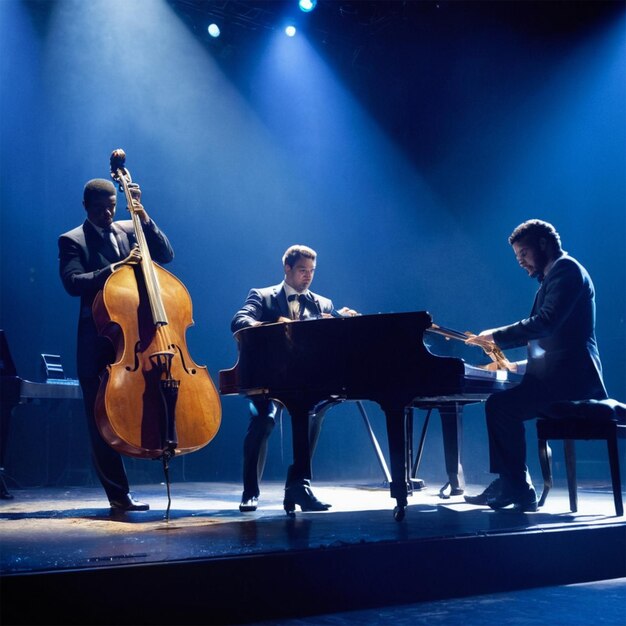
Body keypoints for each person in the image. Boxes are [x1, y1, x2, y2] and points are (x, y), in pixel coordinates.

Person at [464, 219, 607, 511]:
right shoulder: (554, 276)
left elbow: (546, 323)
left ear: (544, 244)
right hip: (558, 376)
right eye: (518, 257)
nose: (521, 262)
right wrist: (517, 365)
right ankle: (512, 482)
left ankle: (515, 485)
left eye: (524, 254)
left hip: (573, 380)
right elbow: (551, 339)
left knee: (500, 406)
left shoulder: (566, 270)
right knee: (501, 405)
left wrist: (495, 336)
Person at [58, 178, 174, 512]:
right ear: (86, 207)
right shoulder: (72, 240)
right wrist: (115, 269)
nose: (108, 213)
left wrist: (142, 214)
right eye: (100, 208)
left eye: (112, 206)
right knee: (101, 419)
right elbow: (72, 282)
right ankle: (118, 495)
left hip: (136, 339)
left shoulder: (128, 228)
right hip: (97, 340)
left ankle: (163, 456)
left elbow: (166, 253)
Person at [231, 244, 357, 513]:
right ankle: (250, 491)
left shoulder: (322, 303)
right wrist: (272, 325)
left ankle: (298, 488)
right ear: (287, 268)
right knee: (263, 420)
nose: (308, 276)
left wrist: (343, 322)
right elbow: (239, 321)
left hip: (306, 382)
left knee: (313, 415)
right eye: (302, 270)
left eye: (312, 271)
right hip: (267, 380)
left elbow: (336, 338)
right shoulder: (263, 296)